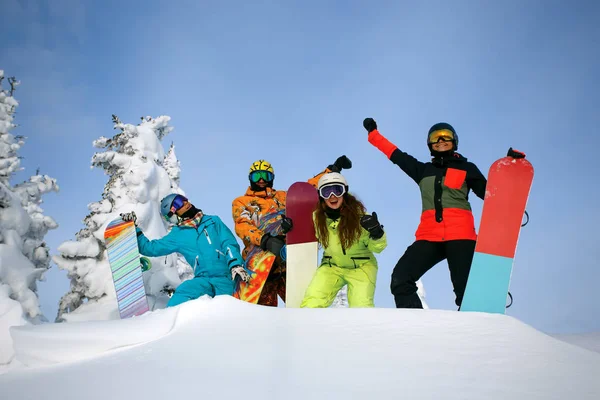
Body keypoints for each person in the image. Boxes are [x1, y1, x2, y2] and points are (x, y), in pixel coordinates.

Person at [362, 117, 487, 309]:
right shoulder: (423, 170)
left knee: (466, 293)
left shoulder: (467, 169)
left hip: (461, 237)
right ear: (430, 144)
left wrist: (511, 169)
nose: (441, 141)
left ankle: (475, 331)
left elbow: (490, 194)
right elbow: (397, 155)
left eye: (446, 136)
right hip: (430, 237)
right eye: (436, 137)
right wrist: (374, 135)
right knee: (400, 279)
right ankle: (418, 327)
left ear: (454, 141)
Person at [232, 156, 352, 306]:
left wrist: (331, 170)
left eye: (266, 175)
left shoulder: (282, 197)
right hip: (263, 264)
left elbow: (306, 191)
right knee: (265, 314)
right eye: (257, 176)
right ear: (250, 179)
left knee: (302, 304)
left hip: (288, 261)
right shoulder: (242, 202)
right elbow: (242, 225)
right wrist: (264, 240)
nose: (261, 180)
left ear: (272, 178)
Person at [121, 194, 248, 307]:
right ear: (173, 214)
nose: (185, 203)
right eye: (178, 203)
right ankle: (166, 323)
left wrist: (235, 264)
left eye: (183, 200)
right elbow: (150, 248)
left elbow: (228, 243)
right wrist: (135, 229)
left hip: (228, 276)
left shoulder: (213, 221)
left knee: (228, 307)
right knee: (184, 290)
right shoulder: (177, 235)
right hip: (203, 279)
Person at [287, 172, 387, 308]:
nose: (332, 196)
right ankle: (309, 328)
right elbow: (302, 230)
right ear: (321, 196)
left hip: (361, 267)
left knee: (361, 307)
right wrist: (290, 227)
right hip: (332, 266)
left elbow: (378, 248)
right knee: (311, 304)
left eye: (337, 190)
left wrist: (377, 232)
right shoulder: (317, 218)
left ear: (344, 192)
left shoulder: (360, 218)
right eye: (326, 191)